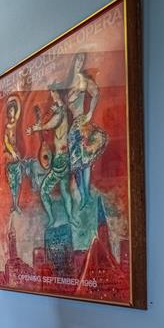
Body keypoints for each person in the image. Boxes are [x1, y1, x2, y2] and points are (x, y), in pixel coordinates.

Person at [63, 52, 108, 203]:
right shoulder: (69, 83)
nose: (80, 62)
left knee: (85, 161)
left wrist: (90, 112)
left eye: (82, 60)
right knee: (77, 164)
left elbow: (96, 93)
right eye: (78, 59)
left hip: (81, 122)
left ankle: (86, 195)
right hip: (73, 126)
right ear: (74, 61)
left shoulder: (83, 80)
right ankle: (83, 196)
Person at [27, 85, 74, 226]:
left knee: (44, 191)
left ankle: (52, 219)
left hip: (60, 159)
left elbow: (53, 123)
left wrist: (37, 128)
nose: (51, 95)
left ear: (57, 93)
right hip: (65, 156)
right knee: (65, 190)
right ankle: (71, 218)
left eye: (53, 92)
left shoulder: (61, 112)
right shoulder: (61, 109)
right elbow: (55, 118)